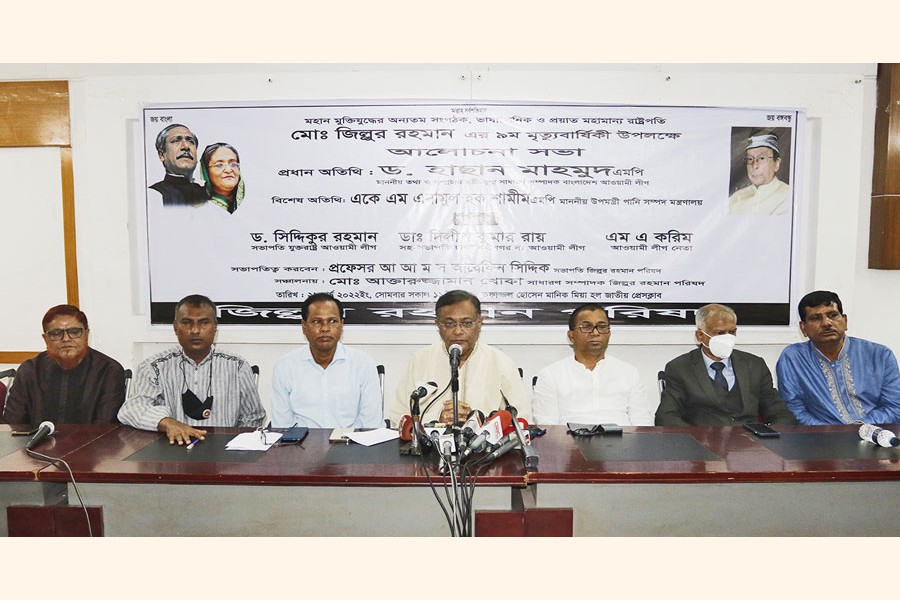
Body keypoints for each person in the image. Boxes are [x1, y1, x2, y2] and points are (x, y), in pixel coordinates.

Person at [117, 294, 265, 444]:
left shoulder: (237, 366)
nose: (195, 330)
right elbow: (131, 409)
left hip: (223, 451)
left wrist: (236, 446)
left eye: (204, 323)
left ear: (215, 327)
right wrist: (167, 423)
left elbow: (253, 417)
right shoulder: (154, 367)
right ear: (175, 328)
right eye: (187, 323)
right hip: (172, 449)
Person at [390, 290, 530, 426]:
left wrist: (479, 423)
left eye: (467, 323)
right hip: (432, 442)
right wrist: (436, 421)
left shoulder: (501, 363)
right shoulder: (420, 360)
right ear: (438, 324)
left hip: (485, 442)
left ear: (479, 323)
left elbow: (521, 420)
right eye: (449, 324)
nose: (458, 331)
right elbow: (398, 418)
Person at [655, 303, 796, 426]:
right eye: (720, 333)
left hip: (750, 443)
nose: (727, 338)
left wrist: (768, 436)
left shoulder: (754, 365)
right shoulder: (680, 368)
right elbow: (666, 416)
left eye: (732, 332)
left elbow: (781, 413)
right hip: (703, 443)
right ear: (700, 336)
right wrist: (695, 439)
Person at [776, 290, 900, 425]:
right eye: (816, 318)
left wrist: (862, 426)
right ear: (803, 328)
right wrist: (832, 432)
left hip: (877, 433)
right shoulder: (793, 359)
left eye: (833, 315)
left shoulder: (880, 355)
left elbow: (894, 407)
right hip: (820, 436)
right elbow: (794, 410)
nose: (826, 323)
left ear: (845, 321)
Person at [271, 293, 382, 428]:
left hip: (351, 440)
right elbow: (282, 425)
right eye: (316, 322)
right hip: (302, 441)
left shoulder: (363, 364)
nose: (325, 328)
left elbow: (371, 424)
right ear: (304, 327)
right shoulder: (285, 367)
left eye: (332, 321)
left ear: (341, 325)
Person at [2, 304, 125, 425]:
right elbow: (12, 425)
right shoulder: (30, 371)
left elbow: (105, 427)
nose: (66, 339)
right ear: (45, 339)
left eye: (74, 332)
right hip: (37, 438)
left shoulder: (108, 371)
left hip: (92, 439)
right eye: (56, 333)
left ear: (86, 334)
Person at [533, 303, 652, 426]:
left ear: (609, 334)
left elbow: (642, 421)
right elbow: (547, 425)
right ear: (571, 336)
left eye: (602, 327)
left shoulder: (629, 372)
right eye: (586, 327)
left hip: (621, 436)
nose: (595, 333)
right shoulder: (551, 375)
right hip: (569, 437)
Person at [728, 133, 791, 216]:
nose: (754, 166)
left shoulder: (788, 196)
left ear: (776, 164)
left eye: (762, 158)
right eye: (750, 159)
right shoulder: (736, 198)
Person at [149, 123, 208, 207]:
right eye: (176, 140)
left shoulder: (210, 193)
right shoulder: (152, 195)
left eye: (190, 141)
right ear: (161, 155)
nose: (186, 146)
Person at [200, 143, 244, 214]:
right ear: (206, 171)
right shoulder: (196, 208)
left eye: (233, 164)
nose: (228, 170)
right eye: (219, 165)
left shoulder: (253, 201)